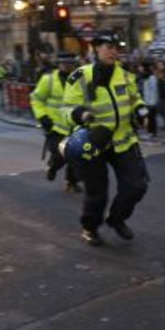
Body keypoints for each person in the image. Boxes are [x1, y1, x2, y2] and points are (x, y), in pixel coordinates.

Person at [63, 32, 150, 246]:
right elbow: (65, 109)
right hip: (94, 142)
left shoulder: (125, 74)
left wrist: (141, 111)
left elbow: (134, 98)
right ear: (95, 49)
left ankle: (116, 219)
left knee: (136, 186)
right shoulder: (80, 76)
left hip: (123, 140)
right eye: (107, 47)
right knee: (97, 193)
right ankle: (90, 227)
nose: (113, 51)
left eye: (115, 47)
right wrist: (80, 115)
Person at [30, 52, 81, 191]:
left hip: (75, 125)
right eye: (64, 63)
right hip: (54, 127)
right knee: (61, 154)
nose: (67, 66)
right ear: (59, 64)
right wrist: (42, 117)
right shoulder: (49, 79)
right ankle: (53, 166)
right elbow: (36, 99)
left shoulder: (79, 79)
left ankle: (71, 182)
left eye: (70, 63)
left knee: (75, 155)